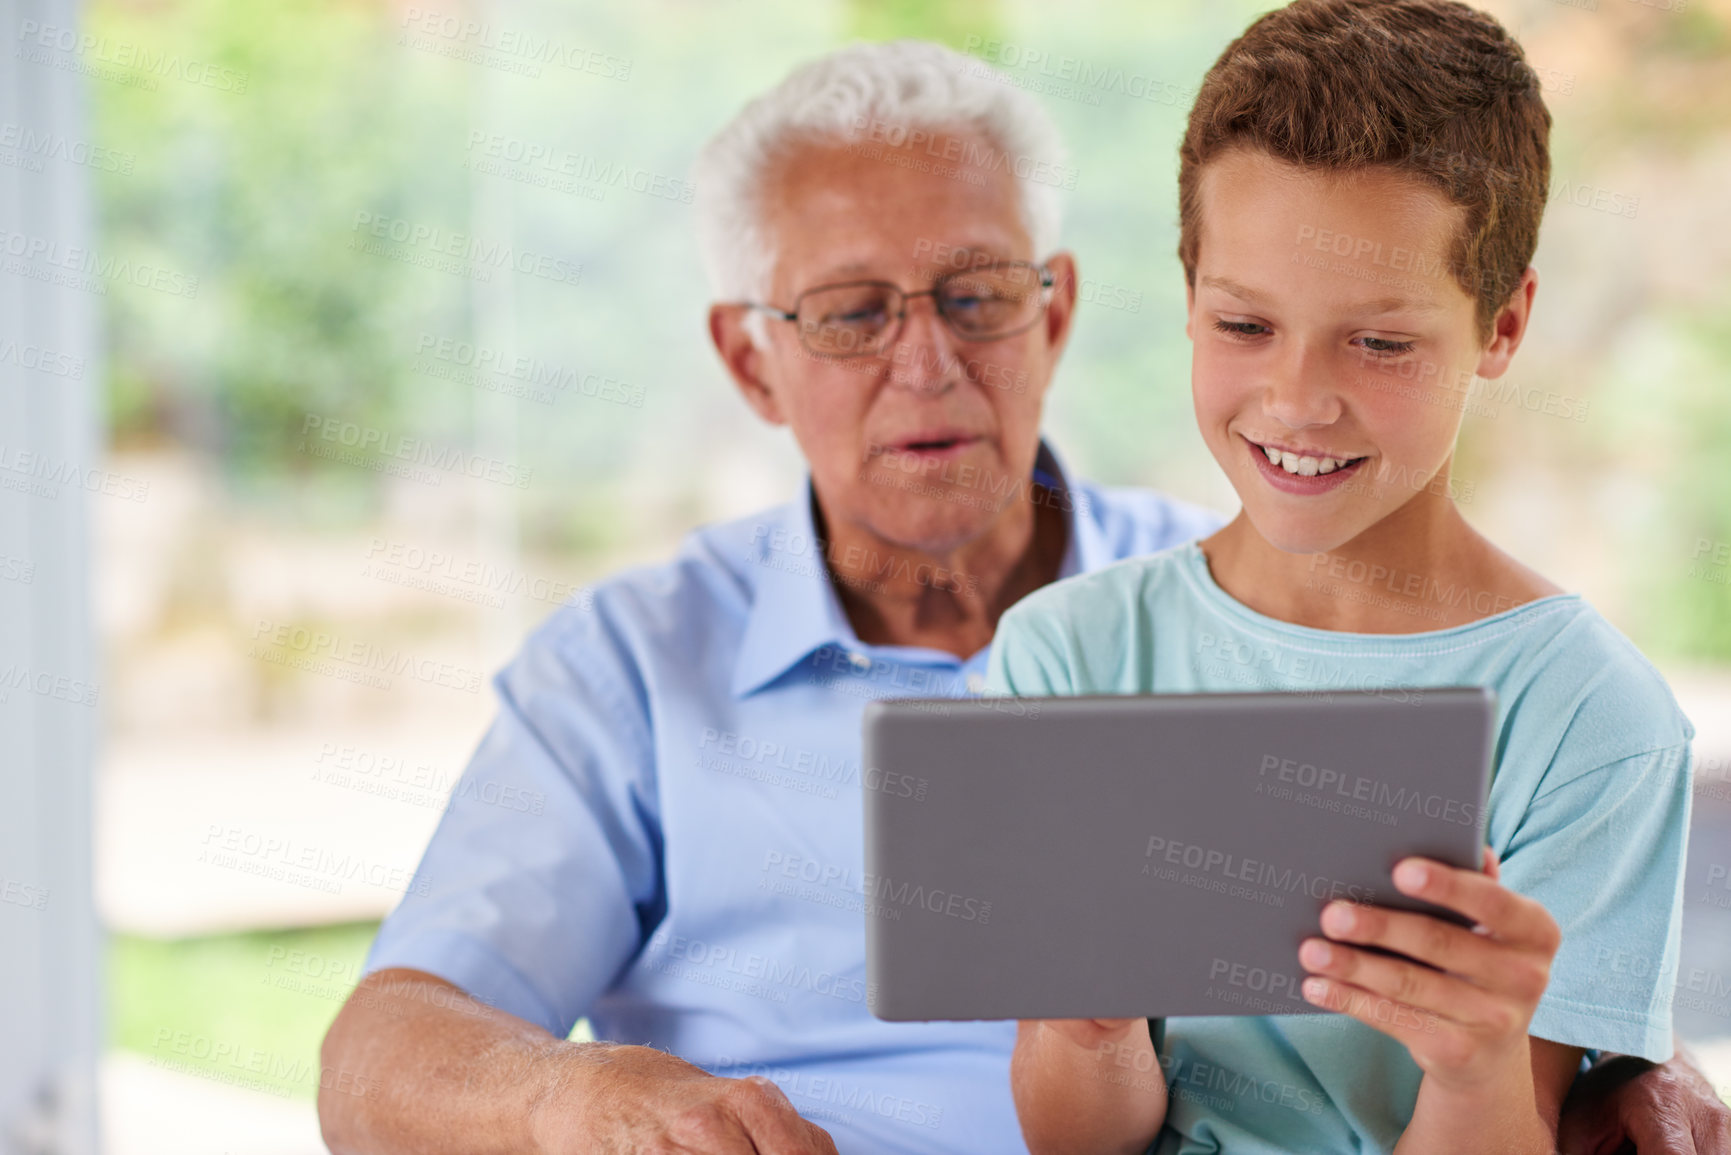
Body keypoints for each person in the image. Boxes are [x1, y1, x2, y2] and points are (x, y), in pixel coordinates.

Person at [316, 37, 1729, 1155]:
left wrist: (1599, 1046)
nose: (924, 362)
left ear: (1054, 310)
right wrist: (582, 1097)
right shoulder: (627, 666)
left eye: (976, 295)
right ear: (752, 363)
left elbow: (1511, 961)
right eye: (851, 312)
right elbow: (379, 1053)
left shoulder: (1270, 592)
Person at [995, 3, 1710, 1154]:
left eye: (1379, 344)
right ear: (1187, 294)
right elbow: (1076, 1139)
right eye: (1244, 324)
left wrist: (1478, 1065)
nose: (1297, 400)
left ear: (1503, 323)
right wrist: (1087, 1031)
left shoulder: (1589, 719)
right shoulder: (1068, 657)